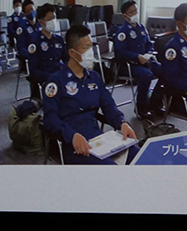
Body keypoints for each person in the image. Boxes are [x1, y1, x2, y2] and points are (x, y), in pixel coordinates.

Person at [42, 24, 138, 164]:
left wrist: (122, 122)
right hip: (72, 143)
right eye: (85, 48)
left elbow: (109, 105)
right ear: (72, 53)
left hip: (98, 139)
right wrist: (71, 135)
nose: (90, 52)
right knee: (111, 173)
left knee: (140, 156)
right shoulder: (56, 81)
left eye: (91, 47)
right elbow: (49, 118)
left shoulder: (94, 77)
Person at [113, 0, 164, 119]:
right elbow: (121, 52)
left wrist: (149, 53)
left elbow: (149, 44)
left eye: (136, 10)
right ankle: (141, 107)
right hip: (129, 65)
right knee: (147, 76)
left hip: (145, 61)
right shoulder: (122, 32)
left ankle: (155, 103)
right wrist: (137, 57)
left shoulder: (141, 27)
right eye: (131, 12)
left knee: (166, 71)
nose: (135, 14)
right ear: (125, 16)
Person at [21, 3, 68, 99]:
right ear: (42, 22)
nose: (53, 21)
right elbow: (33, 70)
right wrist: (51, 77)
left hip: (59, 74)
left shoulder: (58, 39)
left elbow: (67, 60)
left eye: (54, 17)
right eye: (49, 19)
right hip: (46, 77)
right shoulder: (35, 42)